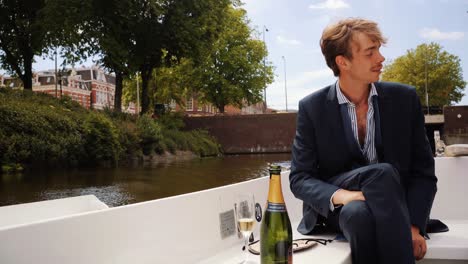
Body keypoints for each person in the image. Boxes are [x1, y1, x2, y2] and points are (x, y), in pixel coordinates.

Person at [289, 18, 438, 264]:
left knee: (359, 215)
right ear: (342, 62)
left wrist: (412, 226)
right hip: (337, 204)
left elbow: (423, 172)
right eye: (370, 52)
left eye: (379, 50)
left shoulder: (404, 99)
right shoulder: (312, 108)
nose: (381, 58)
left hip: (388, 208)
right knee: (381, 174)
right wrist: (343, 196)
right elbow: (300, 178)